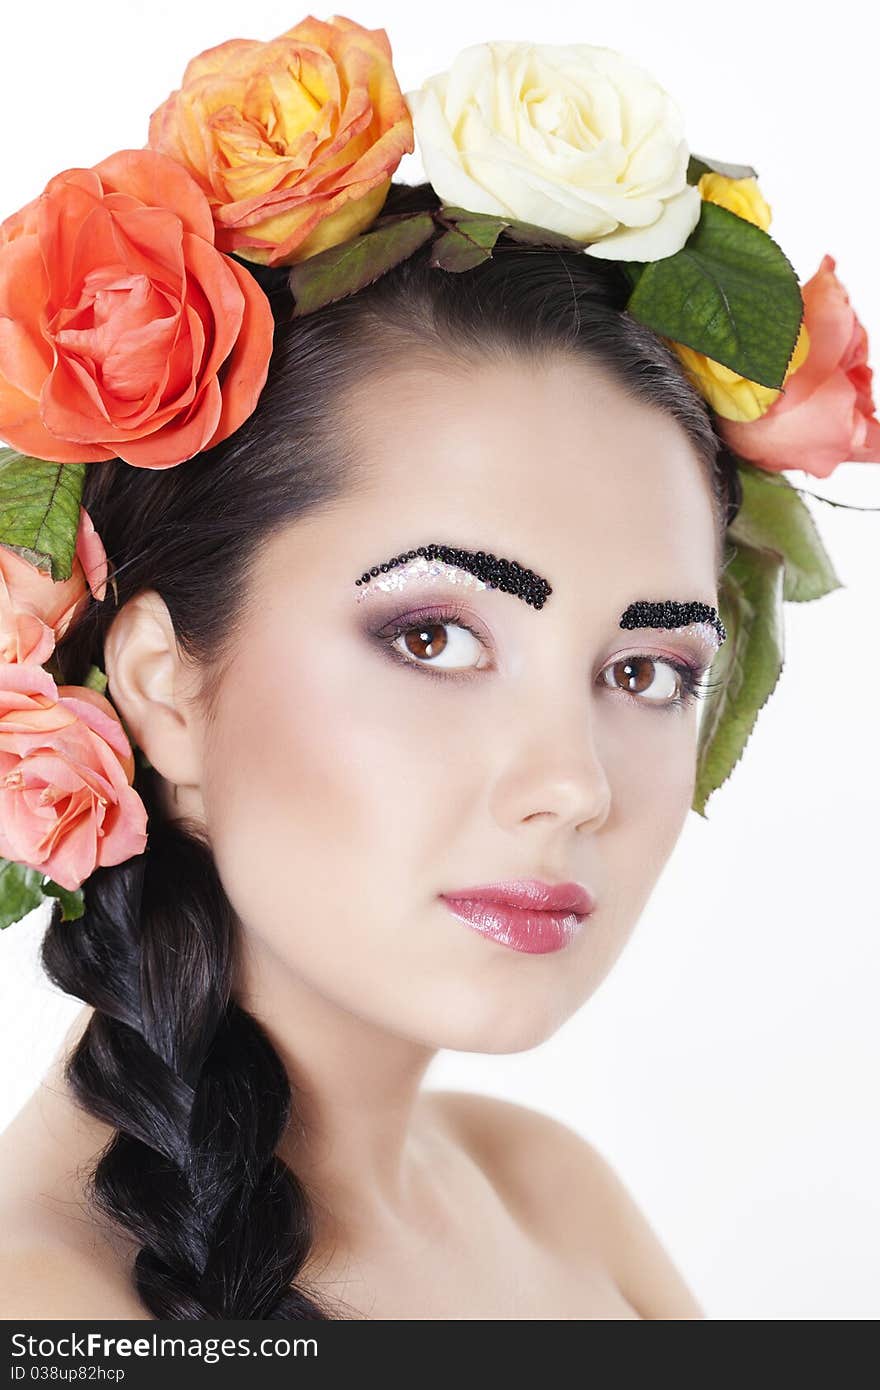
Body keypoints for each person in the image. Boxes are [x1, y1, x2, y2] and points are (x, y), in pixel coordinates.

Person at [0, 177, 731, 1320]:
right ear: (163, 688)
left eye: (645, 671)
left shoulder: (549, 1195)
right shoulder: (42, 1309)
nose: (572, 785)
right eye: (433, 638)